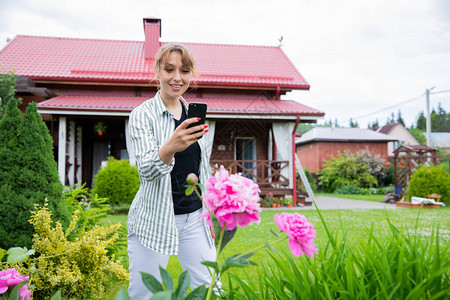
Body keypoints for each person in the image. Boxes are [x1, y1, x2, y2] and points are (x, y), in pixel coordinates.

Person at [127, 43, 216, 299]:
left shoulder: (193, 117)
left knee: (210, 289)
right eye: (169, 69)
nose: (177, 77)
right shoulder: (143, 115)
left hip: (194, 219)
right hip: (154, 219)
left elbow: (202, 170)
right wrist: (169, 148)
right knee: (146, 294)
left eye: (184, 71)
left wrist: (209, 212)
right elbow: (146, 170)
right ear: (157, 71)